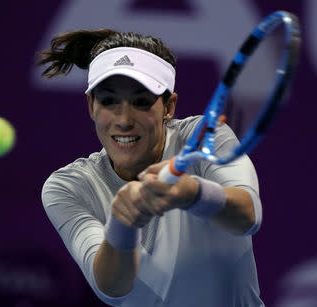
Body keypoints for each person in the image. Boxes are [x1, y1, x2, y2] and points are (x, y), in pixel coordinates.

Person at [40, 29, 264, 306]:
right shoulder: (69, 187)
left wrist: (191, 193)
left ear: (168, 107)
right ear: (91, 106)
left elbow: (248, 216)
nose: (123, 119)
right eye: (109, 101)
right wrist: (123, 224)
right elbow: (111, 287)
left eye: (141, 102)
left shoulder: (204, 136)